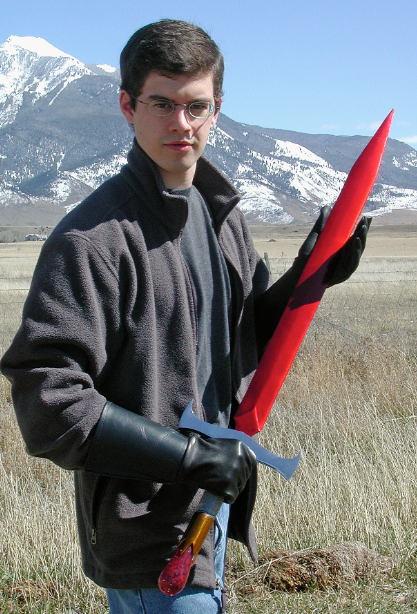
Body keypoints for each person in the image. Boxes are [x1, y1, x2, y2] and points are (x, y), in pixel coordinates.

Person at [0, 19, 370, 614]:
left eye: (196, 107)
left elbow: (242, 337)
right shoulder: (93, 241)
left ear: (217, 109)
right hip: (147, 532)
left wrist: (312, 273)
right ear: (127, 104)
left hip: (210, 510)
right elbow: (48, 400)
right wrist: (190, 458)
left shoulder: (217, 213)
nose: (181, 124)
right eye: (162, 104)